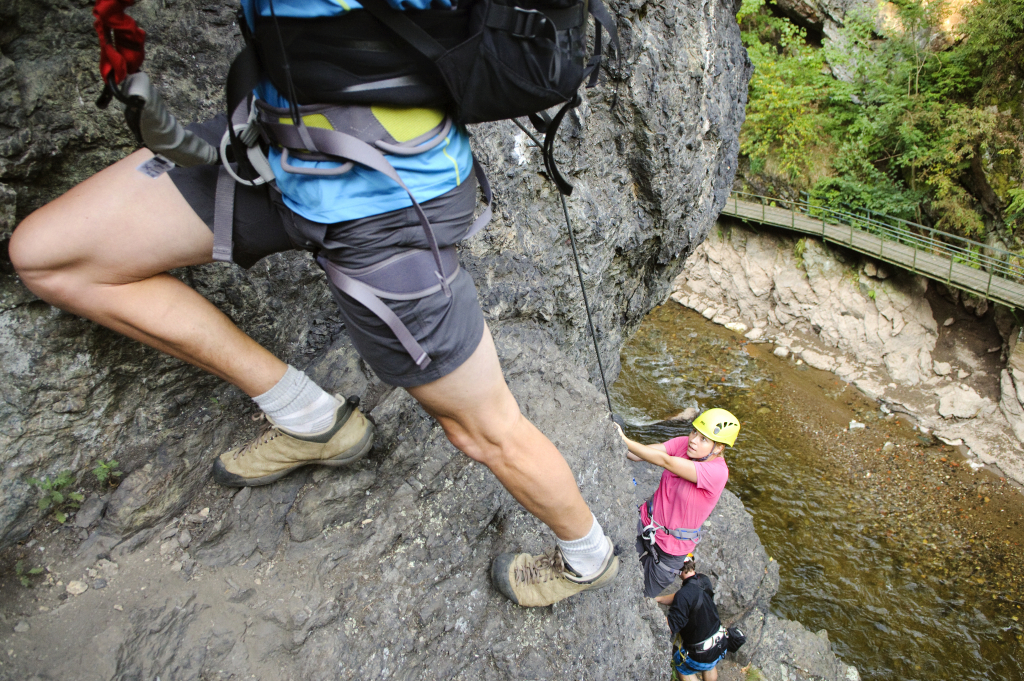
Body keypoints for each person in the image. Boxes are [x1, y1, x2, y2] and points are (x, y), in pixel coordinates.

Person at [9, 0, 618, 608]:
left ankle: (588, 558)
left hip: (385, 205)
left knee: (486, 429)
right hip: (267, 146)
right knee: (47, 255)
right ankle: (309, 417)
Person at [616, 408, 739, 597]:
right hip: (644, 524)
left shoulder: (717, 472)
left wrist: (625, 440)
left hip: (670, 552)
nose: (694, 440)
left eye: (703, 439)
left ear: (719, 447)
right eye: (694, 432)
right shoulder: (684, 444)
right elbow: (637, 454)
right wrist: (615, 436)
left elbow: (666, 462)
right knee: (607, 563)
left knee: (634, 595)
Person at [654, 555, 729, 681]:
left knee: (681, 664)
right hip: (720, 642)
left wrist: (652, 617)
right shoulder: (703, 580)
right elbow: (685, 596)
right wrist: (659, 599)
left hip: (700, 654)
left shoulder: (684, 595)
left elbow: (671, 626)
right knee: (710, 665)